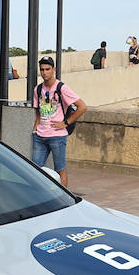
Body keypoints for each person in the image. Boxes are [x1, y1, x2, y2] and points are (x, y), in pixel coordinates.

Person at [32, 57, 86, 189]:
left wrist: (66, 123)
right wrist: (35, 128)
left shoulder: (62, 88)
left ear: (54, 70)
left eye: (47, 69)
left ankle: (64, 197)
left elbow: (82, 107)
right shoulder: (37, 89)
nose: (44, 73)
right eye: (42, 70)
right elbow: (38, 110)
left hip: (57, 136)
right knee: (35, 170)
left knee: (60, 169)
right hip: (40, 136)